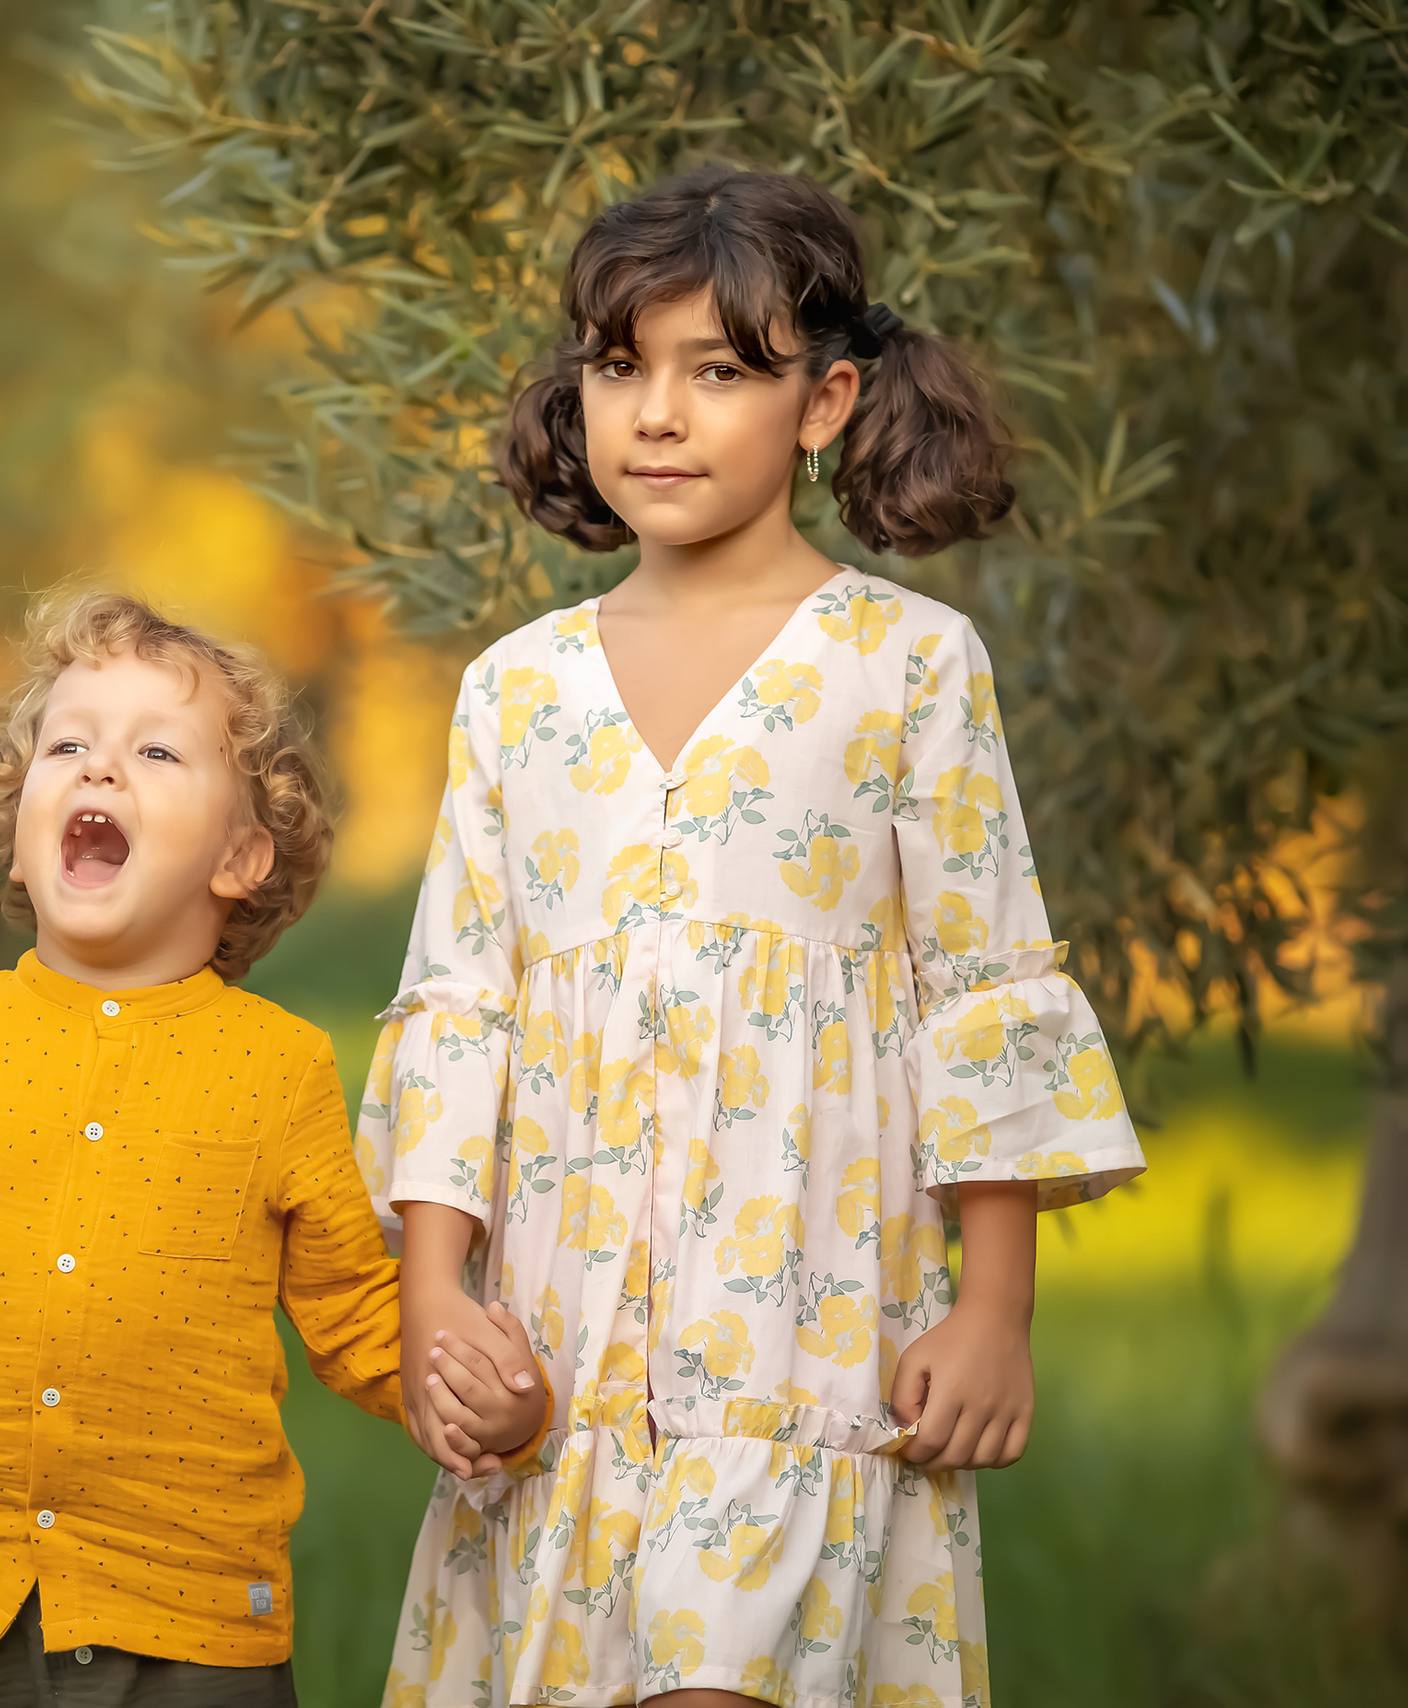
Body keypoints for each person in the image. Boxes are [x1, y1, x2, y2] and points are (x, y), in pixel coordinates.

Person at [367, 167, 1147, 1707]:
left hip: (811, 1328)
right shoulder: (518, 689)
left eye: (716, 371)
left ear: (826, 400)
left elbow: (980, 990)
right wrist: (433, 1297)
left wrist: (995, 1306)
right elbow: (457, 1006)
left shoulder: (908, 665)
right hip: (566, 1341)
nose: (656, 413)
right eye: (619, 367)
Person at [0, 590, 546, 1706]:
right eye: (67, 742)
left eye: (156, 751)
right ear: (18, 835)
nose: (98, 769)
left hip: (197, 1618)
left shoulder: (277, 1067)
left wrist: (478, 1398)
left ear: (239, 857)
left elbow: (357, 1314)